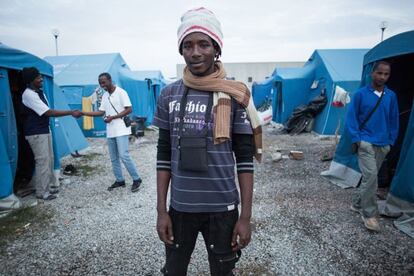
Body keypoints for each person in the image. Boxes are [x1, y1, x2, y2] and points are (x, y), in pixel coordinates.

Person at [154, 7, 262, 275]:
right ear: (181, 51)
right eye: (188, 45)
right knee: (174, 270)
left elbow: (245, 160)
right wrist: (161, 211)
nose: (195, 52)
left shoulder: (236, 94)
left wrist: (245, 216)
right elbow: (164, 155)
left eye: (204, 44)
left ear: (217, 49)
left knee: (222, 271)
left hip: (223, 209)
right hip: (180, 208)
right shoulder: (169, 94)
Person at [346, 60, 399, 231]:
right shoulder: (361, 94)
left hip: (383, 144)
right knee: (372, 177)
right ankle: (369, 215)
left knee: (370, 177)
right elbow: (351, 118)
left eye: (386, 74)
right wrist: (358, 139)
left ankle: (356, 203)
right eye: (380, 73)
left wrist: (391, 141)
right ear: (372, 74)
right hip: (366, 142)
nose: (382, 77)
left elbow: (393, 119)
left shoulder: (391, 96)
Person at [21, 67, 82, 200]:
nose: (41, 79)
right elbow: (48, 112)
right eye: (38, 77)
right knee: (42, 161)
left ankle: (46, 188)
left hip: (43, 130)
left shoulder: (38, 92)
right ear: (31, 80)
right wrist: (70, 112)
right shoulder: (29, 94)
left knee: (49, 160)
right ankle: (41, 192)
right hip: (36, 132)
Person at [81, 72, 142, 192]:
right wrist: (83, 113)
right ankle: (120, 180)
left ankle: (136, 179)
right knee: (113, 157)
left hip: (121, 129)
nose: (102, 85)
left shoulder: (121, 92)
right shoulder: (104, 96)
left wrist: (112, 117)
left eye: (103, 82)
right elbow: (100, 112)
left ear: (110, 80)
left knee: (124, 155)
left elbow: (129, 109)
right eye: (100, 83)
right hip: (111, 130)